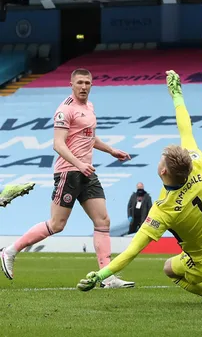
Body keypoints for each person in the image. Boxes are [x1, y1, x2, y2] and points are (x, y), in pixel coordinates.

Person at [77, 70, 202, 305]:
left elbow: (131, 253)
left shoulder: (161, 211)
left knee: (170, 269)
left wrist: (100, 275)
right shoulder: (198, 165)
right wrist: (177, 95)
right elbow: (186, 128)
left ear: (163, 171)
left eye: (161, 160)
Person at [1, 68, 135, 289]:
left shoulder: (89, 107)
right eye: (80, 82)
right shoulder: (65, 110)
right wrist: (79, 164)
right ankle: (11, 250)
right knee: (57, 224)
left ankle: (107, 276)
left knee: (103, 221)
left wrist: (111, 150)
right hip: (69, 172)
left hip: (86, 172)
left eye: (87, 83)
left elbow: (89, 138)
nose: (84, 87)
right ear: (71, 84)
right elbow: (58, 144)